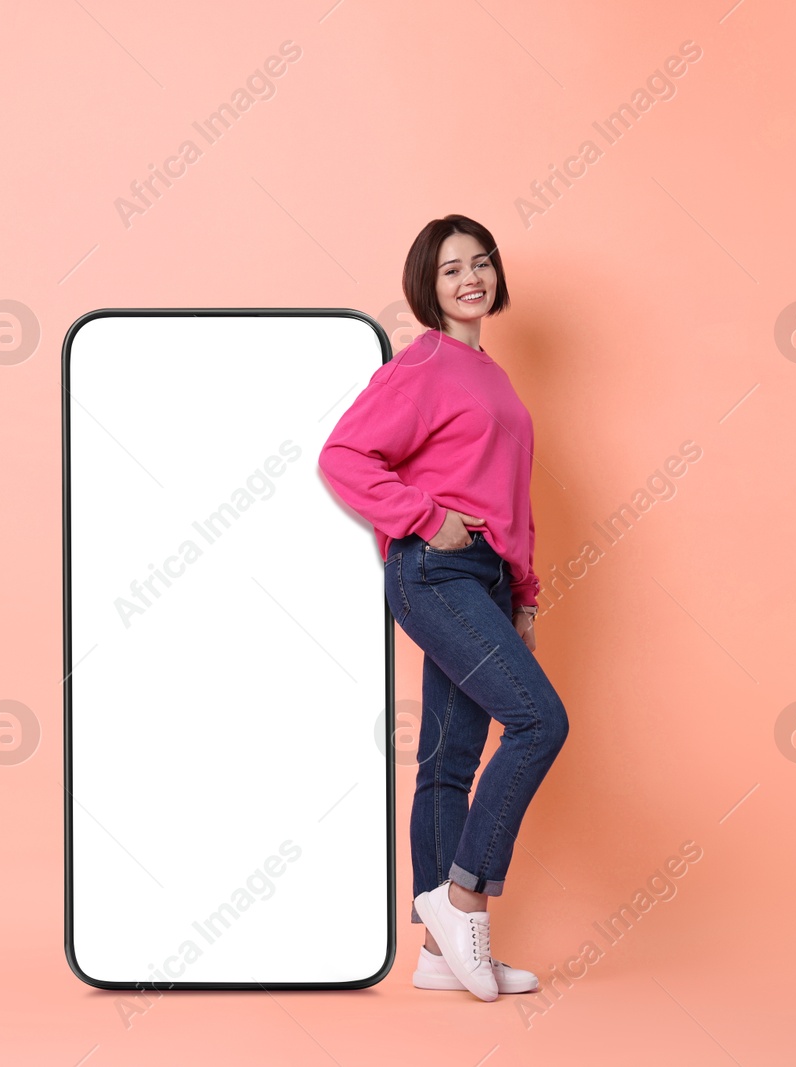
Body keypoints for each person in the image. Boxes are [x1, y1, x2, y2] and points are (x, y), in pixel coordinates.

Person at [317, 215, 569, 1001]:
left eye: (481, 264)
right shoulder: (424, 361)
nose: (470, 278)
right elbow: (343, 454)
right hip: (435, 571)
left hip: (486, 577)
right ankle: (464, 901)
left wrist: (524, 592)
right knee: (538, 721)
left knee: (449, 759)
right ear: (427, 283)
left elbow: (511, 495)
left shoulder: (491, 374)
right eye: (452, 267)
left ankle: (435, 954)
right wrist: (426, 516)